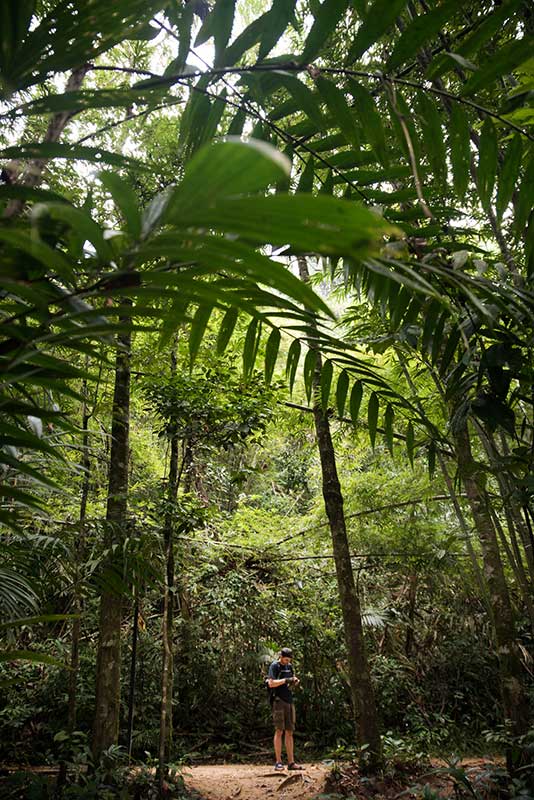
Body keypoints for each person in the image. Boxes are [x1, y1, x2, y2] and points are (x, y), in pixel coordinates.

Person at [267, 647, 304, 771]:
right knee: (279, 730)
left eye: (289, 660)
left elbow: (291, 679)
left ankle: (291, 762)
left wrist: (294, 681)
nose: (287, 662)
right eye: (285, 659)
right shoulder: (274, 666)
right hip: (278, 700)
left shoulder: (289, 667)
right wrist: (285, 680)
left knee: (289, 731)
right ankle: (278, 762)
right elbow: (271, 683)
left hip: (289, 700)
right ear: (281, 657)